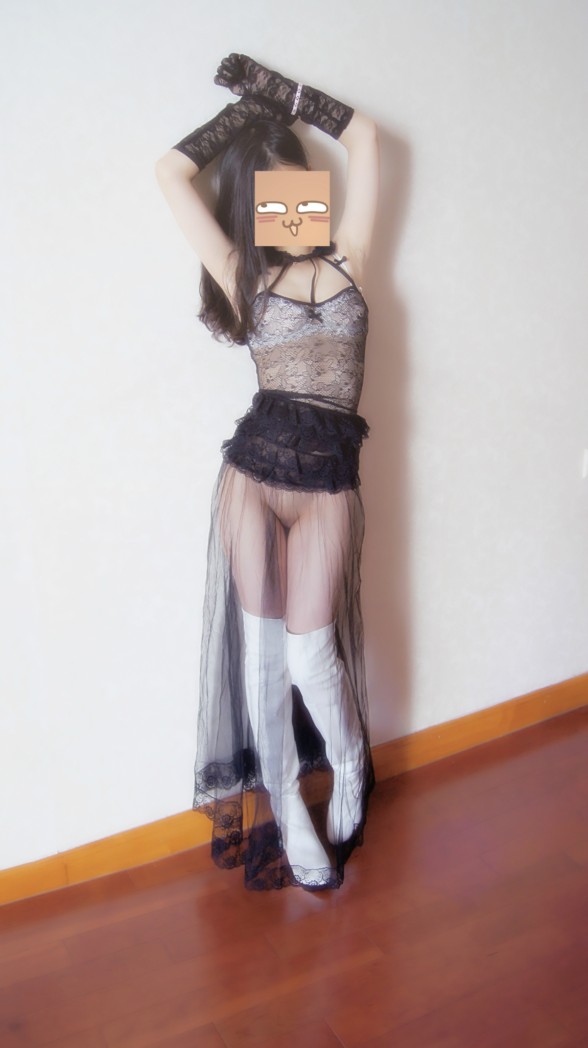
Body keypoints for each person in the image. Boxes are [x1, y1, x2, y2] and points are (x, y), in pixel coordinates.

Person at [155, 54, 379, 891]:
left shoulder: (350, 255)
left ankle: (350, 767)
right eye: (271, 198)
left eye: (300, 193)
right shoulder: (241, 271)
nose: (291, 210)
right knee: (262, 662)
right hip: (252, 478)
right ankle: (288, 813)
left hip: (326, 486)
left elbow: (368, 138)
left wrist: (279, 95)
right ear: (253, 208)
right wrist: (240, 120)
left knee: (312, 656)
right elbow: (170, 174)